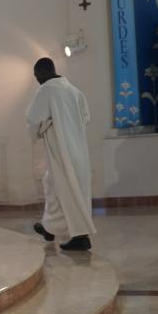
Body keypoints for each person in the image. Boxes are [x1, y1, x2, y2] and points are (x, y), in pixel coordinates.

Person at [25, 57, 96, 251]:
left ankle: (81, 237)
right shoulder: (75, 91)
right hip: (78, 151)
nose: (37, 80)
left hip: (61, 151)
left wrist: (45, 127)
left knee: (66, 190)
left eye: (37, 76)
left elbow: (33, 120)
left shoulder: (46, 90)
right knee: (53, 186)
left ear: (42, 72)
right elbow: (86, 118)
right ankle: (50, 227)